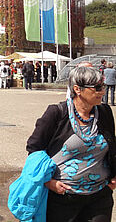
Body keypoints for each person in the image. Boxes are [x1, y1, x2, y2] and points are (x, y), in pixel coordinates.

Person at [26, 67, 116, 221]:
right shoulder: (56, 113)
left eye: (104, 86)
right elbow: (34, 148)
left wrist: (113, 176)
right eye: (97, 87)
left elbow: (111, 145)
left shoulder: (105, 112)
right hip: (63, 197)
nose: (102, 91)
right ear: (77, 89)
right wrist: (48, 182)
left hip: (99, 195)